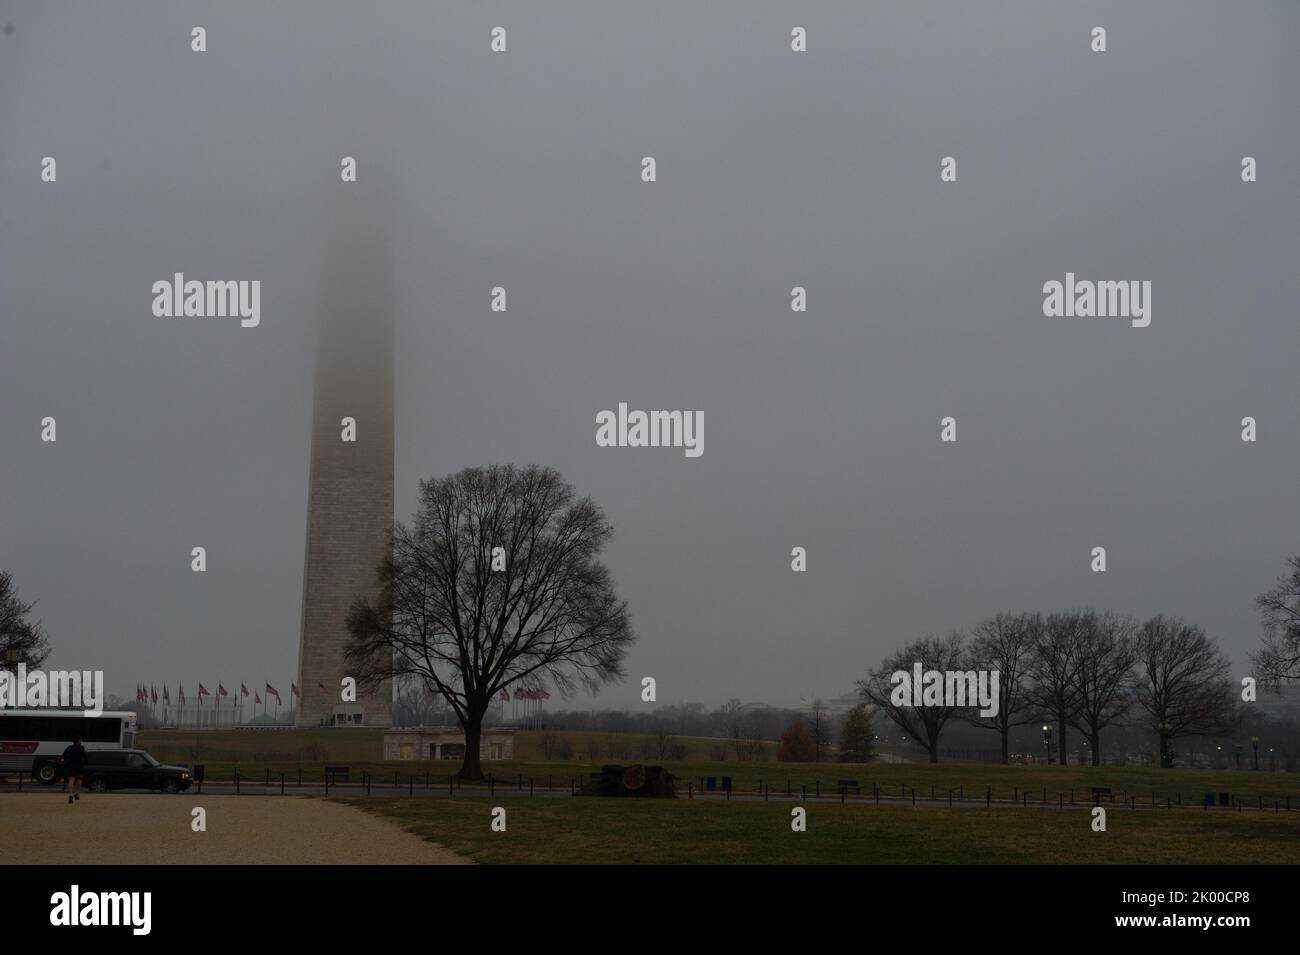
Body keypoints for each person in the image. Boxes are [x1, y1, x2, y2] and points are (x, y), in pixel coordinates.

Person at [61, 735, 88, 804]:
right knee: (79, 779)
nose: (81, 741)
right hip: (79, 766)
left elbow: (63, 756)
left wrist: (67, 761)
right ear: (79, 741)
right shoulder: (81, 747)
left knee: (71, 780)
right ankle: (76, 793)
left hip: (71, 766)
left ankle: (70, 795)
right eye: (81, 740)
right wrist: (85, 762)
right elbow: (85, 756)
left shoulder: (69, 747)